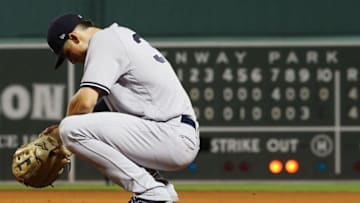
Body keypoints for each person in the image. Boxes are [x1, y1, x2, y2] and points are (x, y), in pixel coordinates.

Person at [46, 13, 200, 203]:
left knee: (70, 129)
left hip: (170, 133)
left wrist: (59, 136)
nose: (71, 61)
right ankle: (163, 192)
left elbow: (86, 102)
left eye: (67, 54)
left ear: (74, 37)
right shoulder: (117, 37)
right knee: (76, 127)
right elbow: (98, 113)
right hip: (170, 132)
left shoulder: (104, 41)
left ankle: (151, 194)